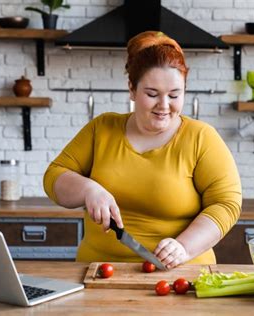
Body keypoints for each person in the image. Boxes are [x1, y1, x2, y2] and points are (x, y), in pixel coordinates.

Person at [43, 31, 242, 269]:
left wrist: (184, 247)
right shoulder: (102, 129)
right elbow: (54, 175)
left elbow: (226, 204)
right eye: (152, 94)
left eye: (175, 95)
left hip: (180, 275)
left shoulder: (201, 138)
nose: (164, 105)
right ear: (132, 89)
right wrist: (88, 189)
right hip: (97, 272)